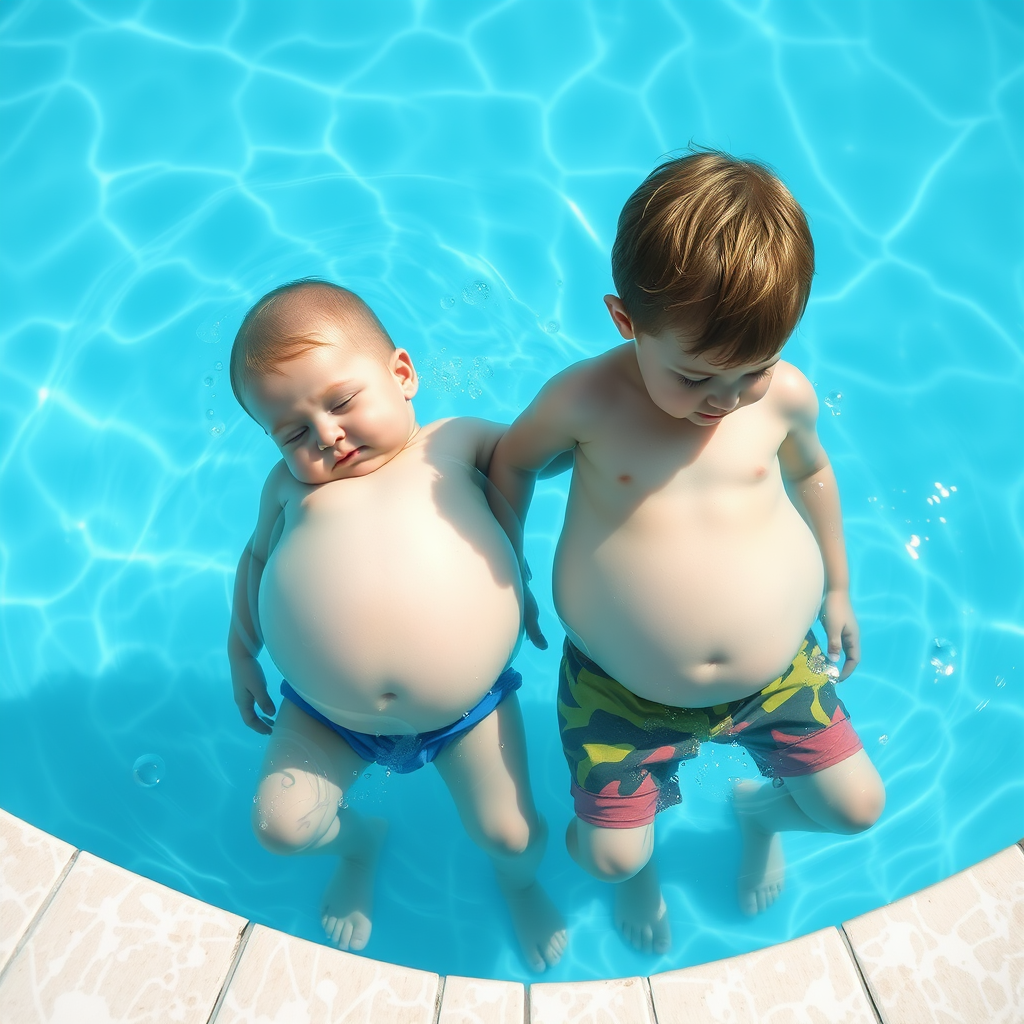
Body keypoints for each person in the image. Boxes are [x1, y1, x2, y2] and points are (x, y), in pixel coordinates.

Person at [488, 151, 885, 955]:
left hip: (777, 673)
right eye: (699, 375)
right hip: (621, 691)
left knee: (856, 809)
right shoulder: (585, 403)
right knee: (607, 856)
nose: (728, 400)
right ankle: (639, 873)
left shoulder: (784, 397)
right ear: (625, 320)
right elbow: (512, 465)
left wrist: (838, 586)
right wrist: (508, 575)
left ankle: (761, 814)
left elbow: (813, 470)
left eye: (754, 370)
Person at [225, 279, 565, 970]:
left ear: (402, 375)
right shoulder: (289, 489)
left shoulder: (453, 442)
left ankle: (518, 885)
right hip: (326, 713)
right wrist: (241, 650)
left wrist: (517, 571)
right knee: (280, 827)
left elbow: (546, 454)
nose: (327, 435)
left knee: (513, 835)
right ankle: (359, 844)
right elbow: (256, 559)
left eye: (342, 401)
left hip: (467, 708)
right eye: (293, 432)